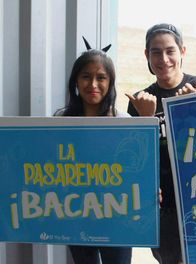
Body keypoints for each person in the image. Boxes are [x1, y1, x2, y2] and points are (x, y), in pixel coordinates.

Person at [126, 23, 196, 264]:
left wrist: (195, 109)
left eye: (170, 51)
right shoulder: (140, 101)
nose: (164, 59)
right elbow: (140, 160)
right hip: (164, 205)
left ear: (183, 52)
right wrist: (147, 119)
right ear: (147, 56)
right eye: (156, 52)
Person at [57, 38, 131, 264]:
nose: (93, 84)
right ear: (76, 81)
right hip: (76, 214)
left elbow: (135, 167)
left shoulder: (123, 121)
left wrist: (148, 189)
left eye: (101, 77)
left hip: (116, 216)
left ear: (110, 82)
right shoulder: (59, 122)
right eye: (86, 76)